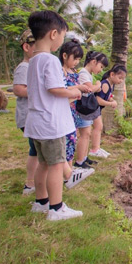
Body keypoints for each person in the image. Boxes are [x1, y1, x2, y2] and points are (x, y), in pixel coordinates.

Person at [25, 10, 84, 221]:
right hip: (51, 123)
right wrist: (74, 92)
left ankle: (41, 202)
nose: (61, 41)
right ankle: (56, 208)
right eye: (62, 35)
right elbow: (55, 89)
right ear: (53, 34)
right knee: (57, 166)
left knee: (44, 164)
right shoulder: (50, 61)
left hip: (37, 123)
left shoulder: (33, 60)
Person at [59, 39, 94, 189]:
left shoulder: (73, 72)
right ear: (65, 55)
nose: (76, 62)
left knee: (72, 140)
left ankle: (69, 172)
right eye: (75, 59)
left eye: (79, 59)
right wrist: (78, 88)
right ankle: (66, 174)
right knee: (66, 141)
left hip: (72, 110)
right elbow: (62, 89)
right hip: (63, 110)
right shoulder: (60, 71)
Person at [13, 29, 38, 195]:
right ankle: (30, 184)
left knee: (35, 150)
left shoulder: (33, 66)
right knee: (36, 150)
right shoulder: (24, 67)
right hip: (28, 116)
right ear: (26, 47)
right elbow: (18, 90)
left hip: (33, 116)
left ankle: (33, 182)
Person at [74, 51, 108, 169]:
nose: (101, 70)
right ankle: (79, 161)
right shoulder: (83, 73)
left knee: (87, 133)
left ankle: (84, 157)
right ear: (94, 62)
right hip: (84, 108)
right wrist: (98, 85)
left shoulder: (88, 73)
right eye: (101, 66)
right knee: (84, 134)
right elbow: (90, 89)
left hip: (87, 108)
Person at [91, 65, 128, 158]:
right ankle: (94, 149)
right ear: (112, 74)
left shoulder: (111, 84)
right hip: (92, 108)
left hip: (97, 109)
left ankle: (97, 148)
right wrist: (110, 104)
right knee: (97, 127)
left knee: (98, 127)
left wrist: (111, 100)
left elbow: (108, 96)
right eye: (120, 78)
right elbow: (98, 100)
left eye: (123, 79)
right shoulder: (105, 84)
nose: (121, 81)